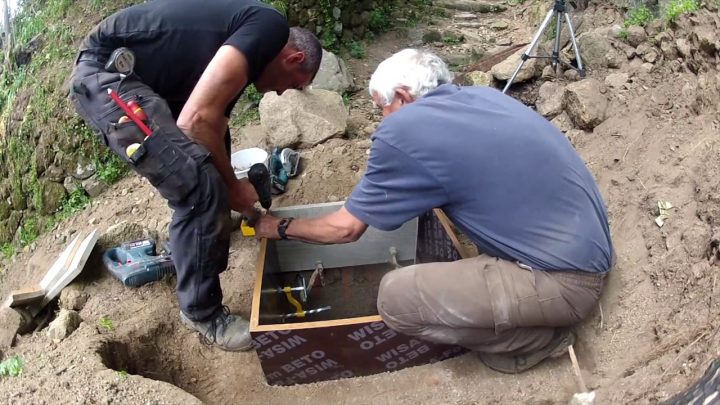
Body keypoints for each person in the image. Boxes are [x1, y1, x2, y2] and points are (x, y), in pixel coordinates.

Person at [255, 49, 614, 373]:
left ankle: (537, 340)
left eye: (382, 109)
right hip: (587, 248)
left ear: (402, 97)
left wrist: (280, 227)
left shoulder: (404, 129)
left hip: (564, 281)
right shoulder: (483, 97)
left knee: (395, 298)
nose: (383, 122)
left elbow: (345, 230)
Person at [69, 0, 322, 352]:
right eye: (292, 85)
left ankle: (191, 244)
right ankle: (202, 313)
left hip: (137, 78)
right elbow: (197, 121)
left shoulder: (241, 50)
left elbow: (214, 127)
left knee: (207, 171)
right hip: (111, 77)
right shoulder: (269, 26)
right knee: (198, 183)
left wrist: (249, 211)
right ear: (293, 58)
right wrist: (232, 188)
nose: (281, 93)